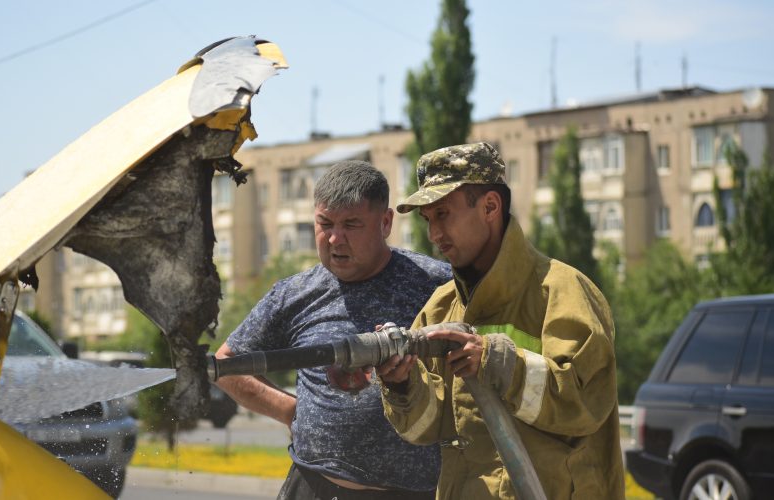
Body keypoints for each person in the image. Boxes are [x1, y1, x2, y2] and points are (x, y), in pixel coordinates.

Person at [376, 143, 625, 500]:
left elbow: (585, 403)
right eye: (428, 220)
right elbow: (423, 429)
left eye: (443, 214)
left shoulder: (560, 291)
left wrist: (499, 362)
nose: (434, 235)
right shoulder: (440, 307)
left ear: (490, 206)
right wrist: (403, 383)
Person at [215, 160, 452, 499]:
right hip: (312, 486)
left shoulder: (435, 284)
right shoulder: (294, 293)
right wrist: (291, 412)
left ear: (385, 222)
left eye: (351, 224)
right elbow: (226, 365)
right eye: (324, 223)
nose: (334, 238)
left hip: (414, 492)